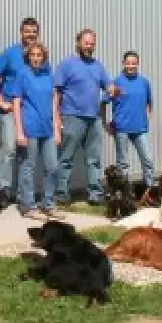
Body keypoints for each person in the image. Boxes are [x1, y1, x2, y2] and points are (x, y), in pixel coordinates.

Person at [53, 28, 117, 208]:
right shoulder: (67, 64)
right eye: (86, 43)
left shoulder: (98, 66)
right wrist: (57, 119)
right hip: (72, 117)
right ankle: (62, 194)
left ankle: (95, 194)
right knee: (66, 158)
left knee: (93, 159)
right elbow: (56, 94)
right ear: (78, 43)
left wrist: (114, 90)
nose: (89, 46)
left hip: (94, 119)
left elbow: (109, 86)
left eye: (92, 44)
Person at [0, 17, 41, 209]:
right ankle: (4, 191)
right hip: (10, 110)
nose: (30, 34)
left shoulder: (39, 55)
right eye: (27, 31)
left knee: (26, 153)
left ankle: (23, 193)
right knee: (9, 150)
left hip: (29, 111)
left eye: (34, 31)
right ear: (21, 32)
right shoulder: (11, 53)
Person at [13, 41, 61, 220]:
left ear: (43, 57)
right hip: (30, 127)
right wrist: (19, 131)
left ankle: (48, 205)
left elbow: (54, 103)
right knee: (28, 167)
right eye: (32, 55)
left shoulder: (48, 74)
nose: (35, 58)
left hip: (47, 129)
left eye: (39, 55)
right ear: (28, 57)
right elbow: (16, 103)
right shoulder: (22, 74)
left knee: (52, 167)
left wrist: (57, 128)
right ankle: (28, 206)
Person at [110, 50, 155, 187]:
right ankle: (124, 192)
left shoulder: (144, 82)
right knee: (122, 164)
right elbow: (104, 101)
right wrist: (106, 123)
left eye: (133, 63)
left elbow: (149, 103)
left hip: (140, 129)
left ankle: (150, 190)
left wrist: (146, 118)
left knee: (148, 160)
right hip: (122, 129)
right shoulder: (116, 82)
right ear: (123, 63)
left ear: (138, 63)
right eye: (128, 63)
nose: (131, 66)